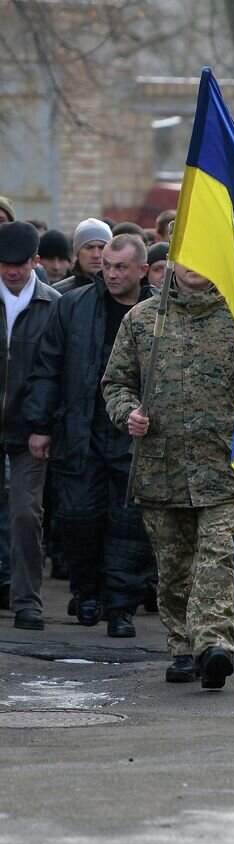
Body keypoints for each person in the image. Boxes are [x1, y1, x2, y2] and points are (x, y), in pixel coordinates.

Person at [102, 262, 234, 689]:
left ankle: (214, 644)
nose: (195, 267)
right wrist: (127, 413)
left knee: (217, 554)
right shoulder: (144, 318)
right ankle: (183, 646)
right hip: (160, 468)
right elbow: (116, 382)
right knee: (174, 566)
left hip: (223, 466)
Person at [24, 234, 159, 638]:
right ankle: (87, 592)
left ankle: (121, 607)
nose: (112, 274)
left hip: (137, 435)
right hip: (82, 428)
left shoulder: (160, 313)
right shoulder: (75, 306)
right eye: (107, 266)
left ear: (142, 271)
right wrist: (40, 426)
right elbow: (49, 366)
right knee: (78, 518)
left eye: (121, 267)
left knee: (130, 525)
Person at [0, 222, 59, 630]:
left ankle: (27, 600)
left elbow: (53, 370)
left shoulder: (53, 304)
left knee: (25, 513)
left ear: (35, 262)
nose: (11, 272)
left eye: (18, 264)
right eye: (3, 265)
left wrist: (43, 425)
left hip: (28, 427)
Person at [53, 218, 110, 294]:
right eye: (89, 248)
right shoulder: (59, 293)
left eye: (102, 247)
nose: (96, 255)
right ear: (77, 252)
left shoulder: (121, 290)